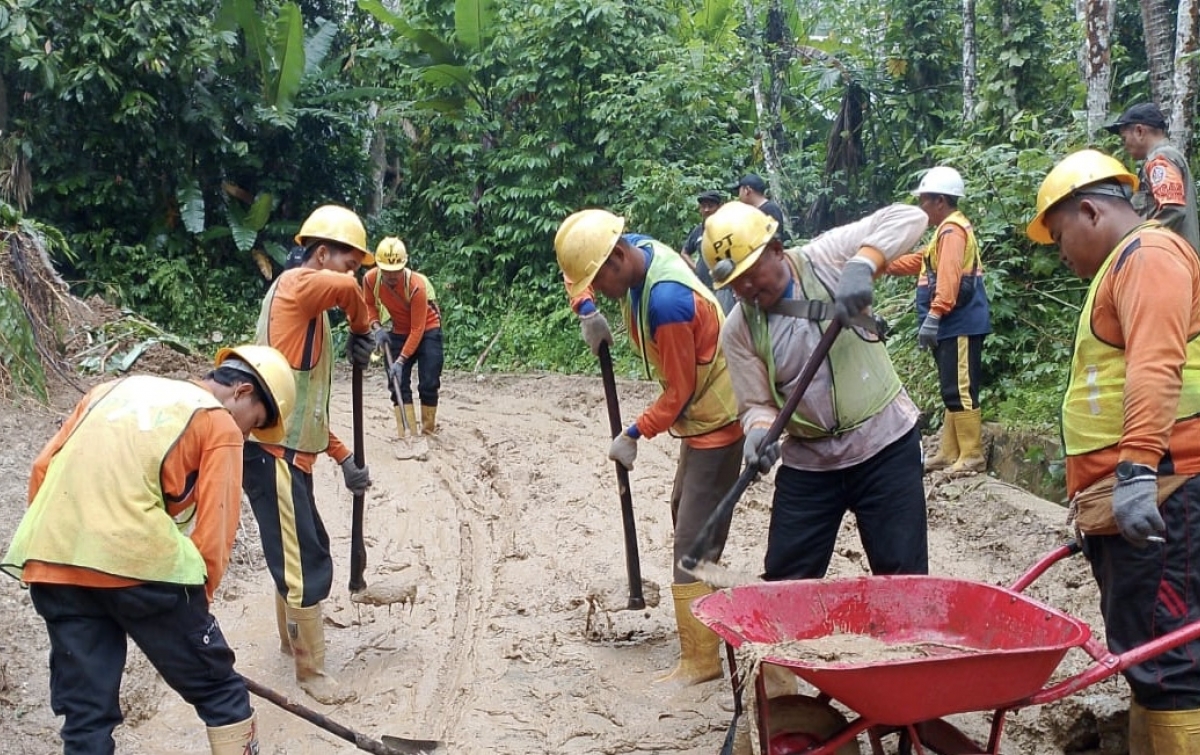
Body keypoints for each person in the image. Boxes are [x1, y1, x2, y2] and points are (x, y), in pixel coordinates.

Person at [1, 345, 296, 755]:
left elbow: (41, 470)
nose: (246, 435)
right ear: (242, 392)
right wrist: (195, 618)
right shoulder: (218, 423)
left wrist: (65, 552)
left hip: (54, 561)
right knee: (222, 696)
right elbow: (216, 530)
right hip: (141, 569)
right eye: (254, 423)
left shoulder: (107, 391)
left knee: (86, 717)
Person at [1028, 149, 1200, 754]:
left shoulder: (1149, 257)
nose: (1061, 251)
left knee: (1170, 656)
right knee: (1145, 648)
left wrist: (1133, 475)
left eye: (1059, 236)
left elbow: (1156, 366)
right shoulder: (1123, 265)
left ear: (1090, 211)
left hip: (1164, 488)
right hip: (1139, 492)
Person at [555, 209, 744, 686]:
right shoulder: (633, 246)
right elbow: (574, 273)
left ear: (618, 259)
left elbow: (678, 392)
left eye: (602, 283)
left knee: (692, 543)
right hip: (698, 418)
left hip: (718, 418)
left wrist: (634, 433)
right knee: (686, 511)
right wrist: (586, 310)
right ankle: (713, 609)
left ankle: (702, 661)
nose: (600, 289)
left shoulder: (667, 303)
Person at [701, 200, 929, 583]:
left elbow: (912, 217)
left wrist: (863, 263)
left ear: (776, 250)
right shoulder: (739, 330)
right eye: (735, 283)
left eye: (752, 273)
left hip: (884, 446)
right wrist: (758, 431)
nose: (746, 288)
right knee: (786, 580)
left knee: (903, 578)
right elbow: (756, 403)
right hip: (811, 462)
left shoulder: (825, 257)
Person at [242, 203, 376, 705]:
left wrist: (341, 457)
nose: (351, 275)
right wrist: (363, 329)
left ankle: (289, 641)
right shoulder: (299, 286)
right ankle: (310, 673)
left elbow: (307, 408)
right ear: (320, 254)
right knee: (307, 562)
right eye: (348, 262)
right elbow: (347, 291)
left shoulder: (308, 314)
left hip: (284, 452)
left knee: (296, 548)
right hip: (271, 456)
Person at [886, 166, 991, 474]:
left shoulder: (952, 231)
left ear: (940, 201)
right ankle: (949, 450)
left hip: (959, 321)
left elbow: (948, 277)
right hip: (952, 322)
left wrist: (935, 313)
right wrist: (882, 264)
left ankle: (971, 454)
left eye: (925, 201)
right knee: (951, 387)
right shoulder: (943, 233)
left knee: (960, 387)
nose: (922, 207)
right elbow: (922, 262)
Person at [363, 236, 444, 440]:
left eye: (396, 271)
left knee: (429, 381)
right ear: (379, 266)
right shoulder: (370, 280)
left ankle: (427, 430)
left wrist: (400, 361)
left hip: (427, 330)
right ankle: (407, 433)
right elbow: (368, 305)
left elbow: (417, 329)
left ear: (404, 265)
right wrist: (376, 327)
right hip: (399, 330)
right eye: (387, 271)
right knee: (397, 382)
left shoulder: (416, 286)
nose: (391, 276)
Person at [1105, 102, 1200, 253]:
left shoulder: (1160, 159)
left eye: (1124, 139)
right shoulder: (1166, 157)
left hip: (1170, 261)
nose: (1125, 145)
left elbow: (1173, 209)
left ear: (1140, 131)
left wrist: (1139, 243)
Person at [681, 189, 736, 314]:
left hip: (724, 287)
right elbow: (684, 252)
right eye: (703, 206)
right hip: (703, 286)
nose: (706, 210)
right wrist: (695, 268)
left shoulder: (729, 228)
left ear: (719, 207)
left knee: (724, 323)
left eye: (710, 206)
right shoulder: (698, 231)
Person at [731, 173, 790, 242]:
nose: (739, 196)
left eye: (739, 191)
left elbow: (774, 238)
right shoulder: (755, 211)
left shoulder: (770, 209)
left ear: (747, 190)